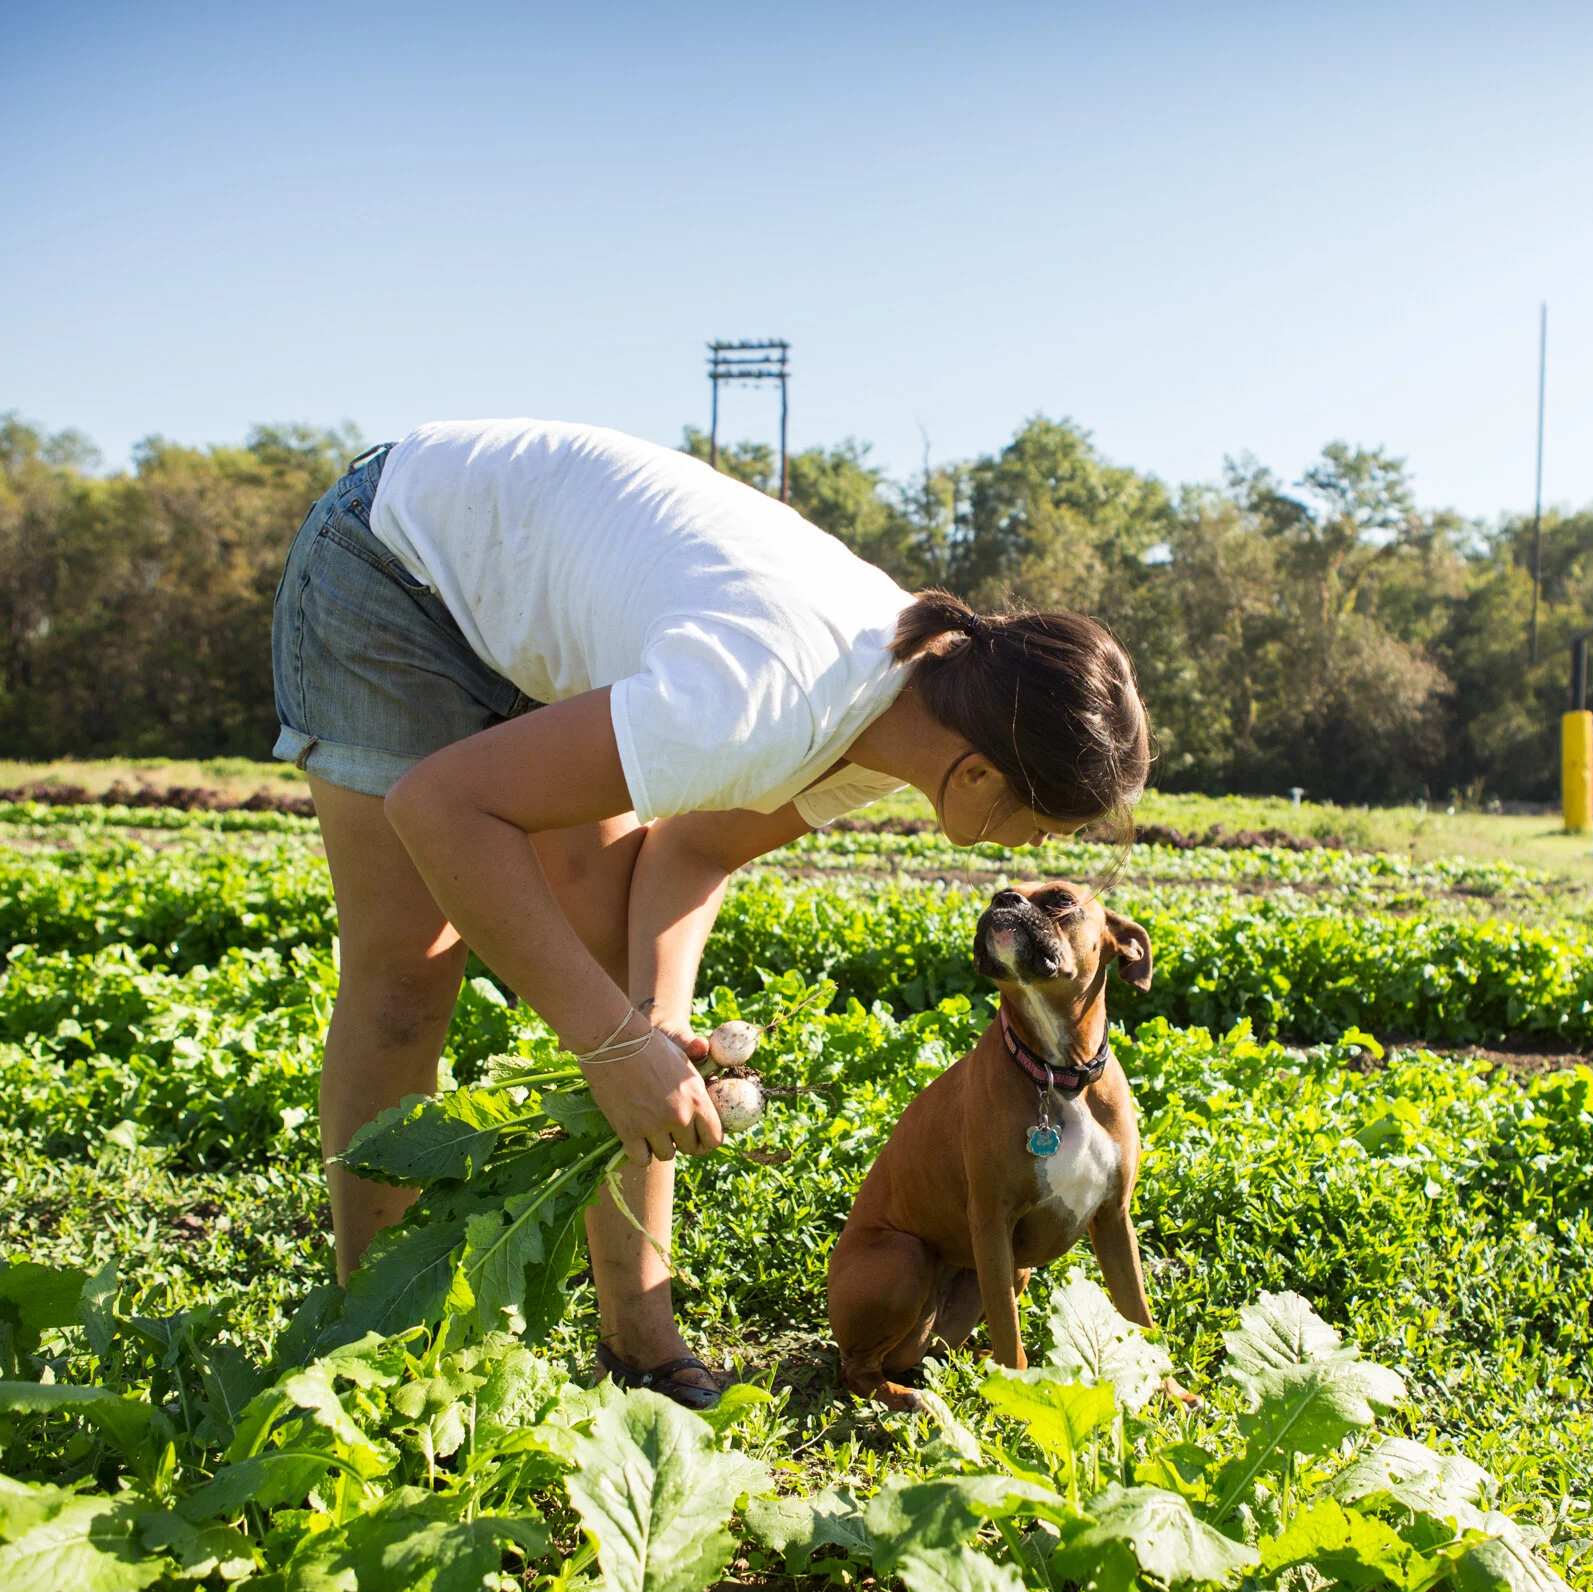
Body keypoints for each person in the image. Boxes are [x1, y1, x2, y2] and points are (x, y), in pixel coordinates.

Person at [270, 418, 1151, 1408]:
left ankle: (640, 1336)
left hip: (524, 591)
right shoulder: (760, 697)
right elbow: (436, 805)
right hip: (400, 566)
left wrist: (653, 1030)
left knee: (610, 962)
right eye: (1043, 824)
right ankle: (377, 1349)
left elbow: (689, 850)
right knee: (406, 976)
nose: (1035, 855)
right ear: (980, 771)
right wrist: (608, 1045)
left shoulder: (900, 718)